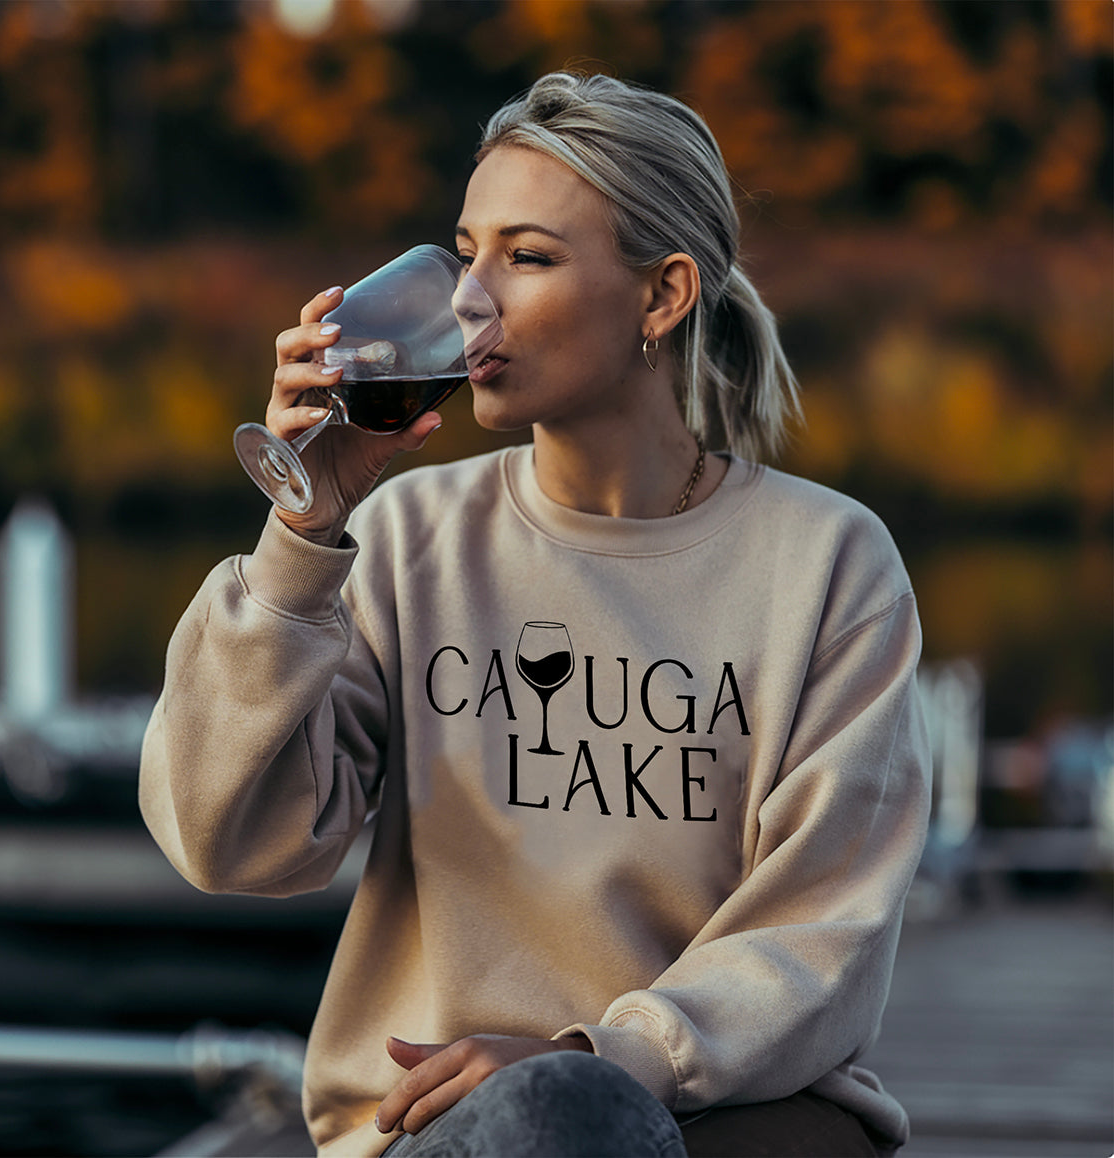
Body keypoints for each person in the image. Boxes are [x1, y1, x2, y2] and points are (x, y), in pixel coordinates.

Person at [140, 71, 931, 1158]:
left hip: (718, 1112)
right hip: (438, 1125)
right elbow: (227, 842)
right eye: (466, 253)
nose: (469, 300)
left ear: (663, 295)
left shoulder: (828, 563)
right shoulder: (409, 538)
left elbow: (823, 927)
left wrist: (601, 1057)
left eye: (528, 257)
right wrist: (301, 533)